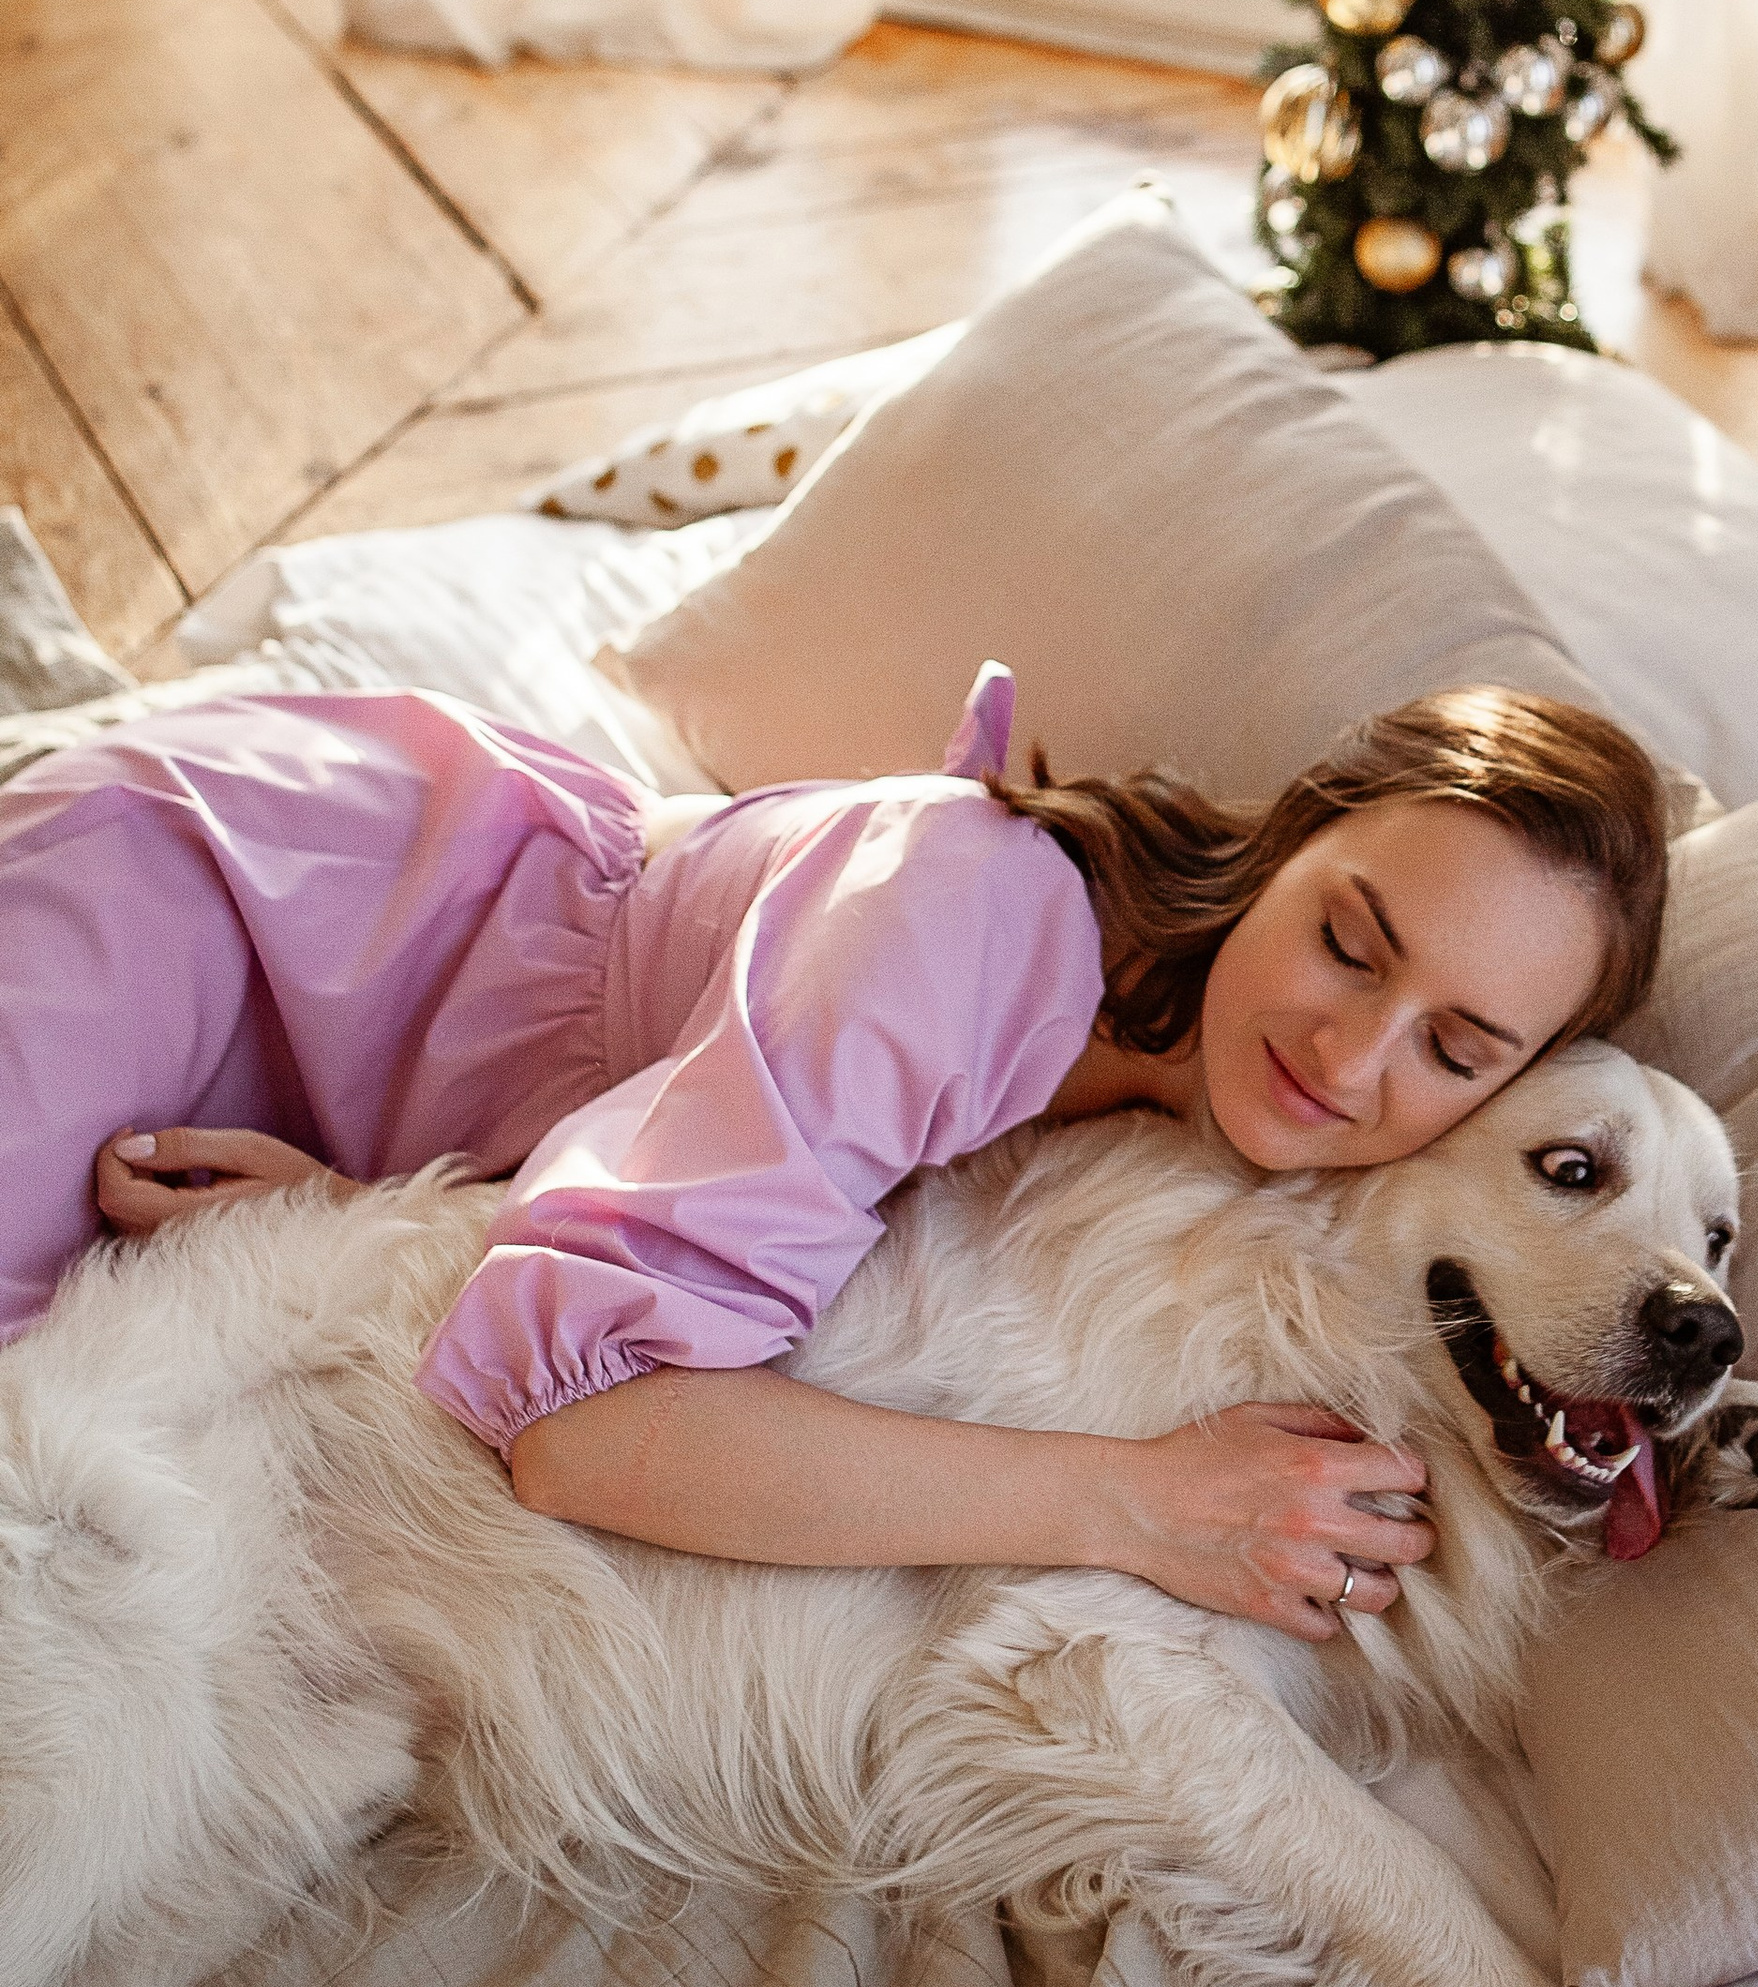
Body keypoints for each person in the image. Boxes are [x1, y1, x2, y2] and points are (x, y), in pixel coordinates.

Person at [0, 670, 1667, 1642]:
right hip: (240, 897)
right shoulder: (966, 936)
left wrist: (387, 1209)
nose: (1351, 1057)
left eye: (1458, 1051)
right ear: (1293, 834)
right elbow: (582, 1430)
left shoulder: (1248, 1112)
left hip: (378, 1093)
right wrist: (1138, 1504)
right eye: (1349, 943)